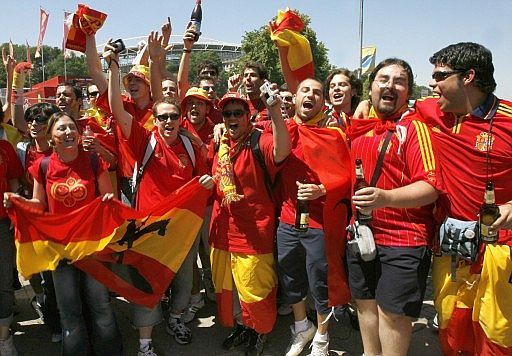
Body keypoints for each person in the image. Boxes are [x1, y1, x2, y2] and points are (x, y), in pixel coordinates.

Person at [104, 37, 214, 355]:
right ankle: (145, 342)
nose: (168, 122)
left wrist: (205, 182)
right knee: (146, 283)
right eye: (162, 117)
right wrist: (113, 66)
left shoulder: (193, 146)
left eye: (173, 116)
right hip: (150, 228)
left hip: (182, 229)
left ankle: (176, 317)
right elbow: (115, 107)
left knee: (182, 282)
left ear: (181, 118)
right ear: (155, 120)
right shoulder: (144, 140)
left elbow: (205, 179)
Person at [413, 42, 512, 355]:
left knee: (495, 333)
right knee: (452, 328)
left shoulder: (510, 120)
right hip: (452, 249)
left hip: (500, 251)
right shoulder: (432, 112)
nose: (432, 83)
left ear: (468, 76)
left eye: (440, 75)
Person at [4, 111, 123, 356]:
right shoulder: (43, 166)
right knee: (69, 312)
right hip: (61, 251)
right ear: (51, 136)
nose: (68, 132)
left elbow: (106, 198)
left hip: (93, 248)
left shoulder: (93, 161)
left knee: (100, 306)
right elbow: (39, 204)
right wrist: (18, 202)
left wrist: (109, 200)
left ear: (79, 134)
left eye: (72, 128)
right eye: (61, 129)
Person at [346, 58, 439, 356]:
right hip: (362, 236)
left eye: (399, 81)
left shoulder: (414, 128)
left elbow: (431, 187)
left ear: (408, 91)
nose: (389, 85)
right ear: (370, 88)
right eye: (383, 79)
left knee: (393, 313)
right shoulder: (359, 126)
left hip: (405, 238)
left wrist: (385, 198)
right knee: (364, 303)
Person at [209, 88, 291, 355]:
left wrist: (276, 110)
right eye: (227, 113)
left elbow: (282, 150)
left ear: (248, 116)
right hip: (222, 232)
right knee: (230, 290)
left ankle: (261, 333)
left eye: (238, 113)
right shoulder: (219, 144)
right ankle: (244, 326)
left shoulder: (260, 141)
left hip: (254, 235)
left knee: (257, 291)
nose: (232, 118)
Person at [275, 78, 352, 356]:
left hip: (320, 221)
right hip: (287, 218)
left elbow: (347, 177)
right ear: (294, 98)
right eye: (305, 90)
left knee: (320, 279)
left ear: (323, 102)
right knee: (290, 276)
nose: (311, 95)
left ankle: (322, 337)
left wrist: (323, 188)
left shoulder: (333, 135)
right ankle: (301, 326)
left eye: (317, 92)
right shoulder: (281, 131)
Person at [0, 138, 23, 356]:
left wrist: (16, 213)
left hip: (2, 223)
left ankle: (4, 339)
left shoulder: (5, 149)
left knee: (4, 282)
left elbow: (14, 182)